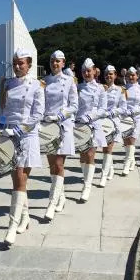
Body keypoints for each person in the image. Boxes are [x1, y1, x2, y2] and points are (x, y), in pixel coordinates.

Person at [0, 48, 44, 246]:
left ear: (29, 65)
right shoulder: (7, 84)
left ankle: (12, 226)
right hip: (9, 135)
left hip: (27, 135)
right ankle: (25, 217)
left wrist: (19, 130)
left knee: (20, 179)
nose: (17, 67)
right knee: (17, 181)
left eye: (21, 63)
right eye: (15, 63)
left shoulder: (37, 85)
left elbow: (38, 114)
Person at [43, 50, 79, 220]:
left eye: (58, 61)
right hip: (47, 126)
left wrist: (60, 115)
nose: (55, 64)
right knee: (52, 166)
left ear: (63, 63)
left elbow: (74, 105)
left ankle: (51, 203)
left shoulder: (70, 81)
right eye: (52, 61)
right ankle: (61, 197)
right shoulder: (44, 81)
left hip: (63, 125)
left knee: (59, 164)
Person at [75, 58, 107, 202]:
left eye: (88, 71)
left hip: (94, 123)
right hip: (79, 124)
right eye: (84, 71)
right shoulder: (78, 88)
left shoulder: (100, 88)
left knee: (90, 154)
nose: (86, 73)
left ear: (94, 71)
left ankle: (87, 186)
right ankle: (86, 179)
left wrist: (90, 116)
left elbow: (103, 109)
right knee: (82, 156)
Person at [96, 64, 126, 186]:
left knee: (107, 149)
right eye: (106, 74)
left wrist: (111, 112)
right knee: (104, 148)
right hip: (100, 121)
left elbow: (123, 108)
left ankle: (103, 176)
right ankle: (111, 169)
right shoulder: (100, 88)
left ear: (115, 75)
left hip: (113, 122)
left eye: (111, 74)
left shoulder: (120, 90)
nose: (108, 76)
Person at [122, 67, 140, 174]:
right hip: (125, 117)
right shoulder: (123, 88)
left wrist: (134, 111)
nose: (131, 77)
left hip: (136, 117)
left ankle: (127, 163)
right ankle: (131, 160)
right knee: (126, 140)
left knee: (132, 140)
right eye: (129, 75)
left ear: (137, 76)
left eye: (133, 75)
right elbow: (120, 102)